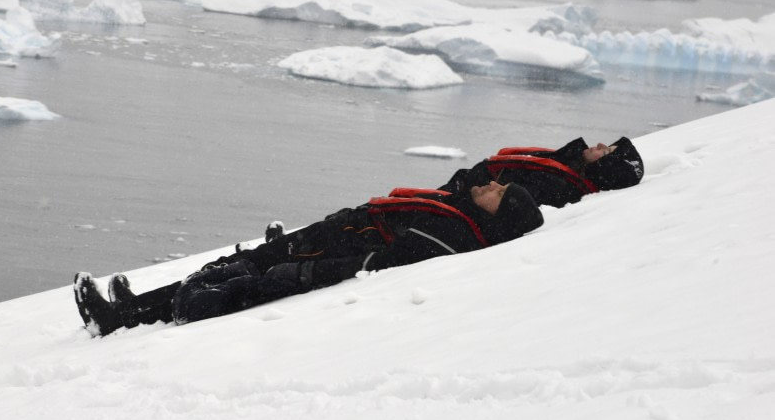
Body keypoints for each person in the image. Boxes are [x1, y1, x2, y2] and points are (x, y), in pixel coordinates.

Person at [73, 180, 543, 338]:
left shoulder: (452, 235)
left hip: (327, 250)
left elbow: (379, 261)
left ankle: (122, 319)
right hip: (331, 236)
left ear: (498, 217)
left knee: (237, 273)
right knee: (232, 266)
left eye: (499, 193)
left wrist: (312, 267)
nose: (490, 185)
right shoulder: (462, 215)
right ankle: (136, 309)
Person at [439, 136, 644, 208]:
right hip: (464, 186)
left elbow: (500, 203)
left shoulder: (560, 187)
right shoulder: (569, 168)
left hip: (461, 195)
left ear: (606, 169)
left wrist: (461, 191)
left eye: (606, 151)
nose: (599, 144)